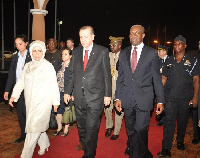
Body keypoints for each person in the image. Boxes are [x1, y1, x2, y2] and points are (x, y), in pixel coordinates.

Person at [115, 24, 165, 158]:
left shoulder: (152, 53)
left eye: (137, 33)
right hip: (127, 98)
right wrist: (117, 98)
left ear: (143, 35)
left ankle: (138, 154)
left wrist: (160, 100)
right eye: (131, 33)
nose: (133, 36)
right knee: (131, 130)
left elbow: (157, 80)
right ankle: (139, 152)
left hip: (144, 98)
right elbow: (120, 78)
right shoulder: (124, 53)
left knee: (140, 129)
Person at [64, 26, 112, 158]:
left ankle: (89, 154)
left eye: (86, 37)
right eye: (81, 37)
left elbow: (107, 75)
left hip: (96, 97)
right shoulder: (77, 51)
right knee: (82, 126)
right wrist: (67, 91)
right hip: (79, 97)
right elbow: (72, 73)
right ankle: (85, 144)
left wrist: (108, 95)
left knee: (92, 127)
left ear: (92, 36)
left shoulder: (102, 51)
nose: (83, 40)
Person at [9, 40, 60, 158]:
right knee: (36, 127)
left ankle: (25, 155)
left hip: (43, 103)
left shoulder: (48, 66)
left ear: (43, 52)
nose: (37, 53)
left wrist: (56, 102)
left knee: (32, 130)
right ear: (31, 53)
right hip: (30, 102)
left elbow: (54, 85)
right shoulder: (27, 66)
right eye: (34, 51)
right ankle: (45, 144)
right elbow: (21, 82)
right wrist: (14, 95)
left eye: (39, 51)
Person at [157, 35, 200, 157]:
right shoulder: (169, 60)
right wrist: (160, 97)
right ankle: (166, 148)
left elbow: (196, 79)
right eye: (175, 44)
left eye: (180, 44)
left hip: (185, 98)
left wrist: (195, 97)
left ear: (185, 45)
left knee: (182, 121)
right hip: (170, 97)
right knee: (169, 123)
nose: (177, 46)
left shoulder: (192, 60)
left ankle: (180, 141)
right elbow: (164, 78)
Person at [4, 34, 32, 143]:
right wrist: (7, 90)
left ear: (26, 43)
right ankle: (23, 135)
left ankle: (31, 135)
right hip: (18, 89)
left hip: (30, 89)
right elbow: (11, 74)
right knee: (20, 113)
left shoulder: (32, 55)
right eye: (16, 44)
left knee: (29, 113)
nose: (18, 46)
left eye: (20, 43)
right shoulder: (15, 56)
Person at [104, 36, 124, 140]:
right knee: (107, 108)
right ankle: (109, 126)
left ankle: (116, 131)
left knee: (118, 110)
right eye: (111, 45)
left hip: (120, 87)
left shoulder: (124, 56)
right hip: (109, 86)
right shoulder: (108, 55)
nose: (112, 47)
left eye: (114, 45)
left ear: (119, 46)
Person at [54, 48, 73, 137]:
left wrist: (72, 94)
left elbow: (74, 81)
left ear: (70, 56)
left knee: (66, 110)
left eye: (65, 54)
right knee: (58, 110)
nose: (63, 56)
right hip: (58, 91)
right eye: (62, 54)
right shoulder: (59, 66)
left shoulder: (72, 67)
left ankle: (66, 129)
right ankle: (59, 127)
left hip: (67, 92)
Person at [157, 44, 169, 127]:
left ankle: (167, 119)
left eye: (159, 51)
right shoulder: (157, 61)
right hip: (159, 86)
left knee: (167, 103)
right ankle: (161, 119)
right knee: (160, 101)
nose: (158, 52)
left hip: (168, 86)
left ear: (164, 52)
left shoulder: (171, 60)